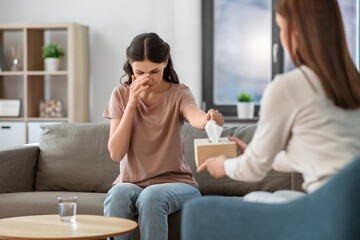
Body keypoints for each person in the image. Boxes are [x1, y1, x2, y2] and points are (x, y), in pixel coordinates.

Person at [198, 0, 360, 203]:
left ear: (295, 30)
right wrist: (259, 157)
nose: (281, 38)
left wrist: (223, 165)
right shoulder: (353, 83)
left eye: (281, 28)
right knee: (281, 196)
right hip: (352, 211)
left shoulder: (290, 86)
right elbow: (321, 155)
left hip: (328, 211)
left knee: (248, 201)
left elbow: (253, 170)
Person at [103, 32, 224, 240]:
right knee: (117, 195)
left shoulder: (178, 93)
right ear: (130, 64)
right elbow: (116, 153)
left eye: (155, 71)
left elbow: (194, 115)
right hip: (131, 182)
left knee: (152, 196)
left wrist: (207, 120)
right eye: (140, 72)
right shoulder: (120, 95)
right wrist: (132, 103)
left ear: (165, 62)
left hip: (177, 183)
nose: (147, 78)